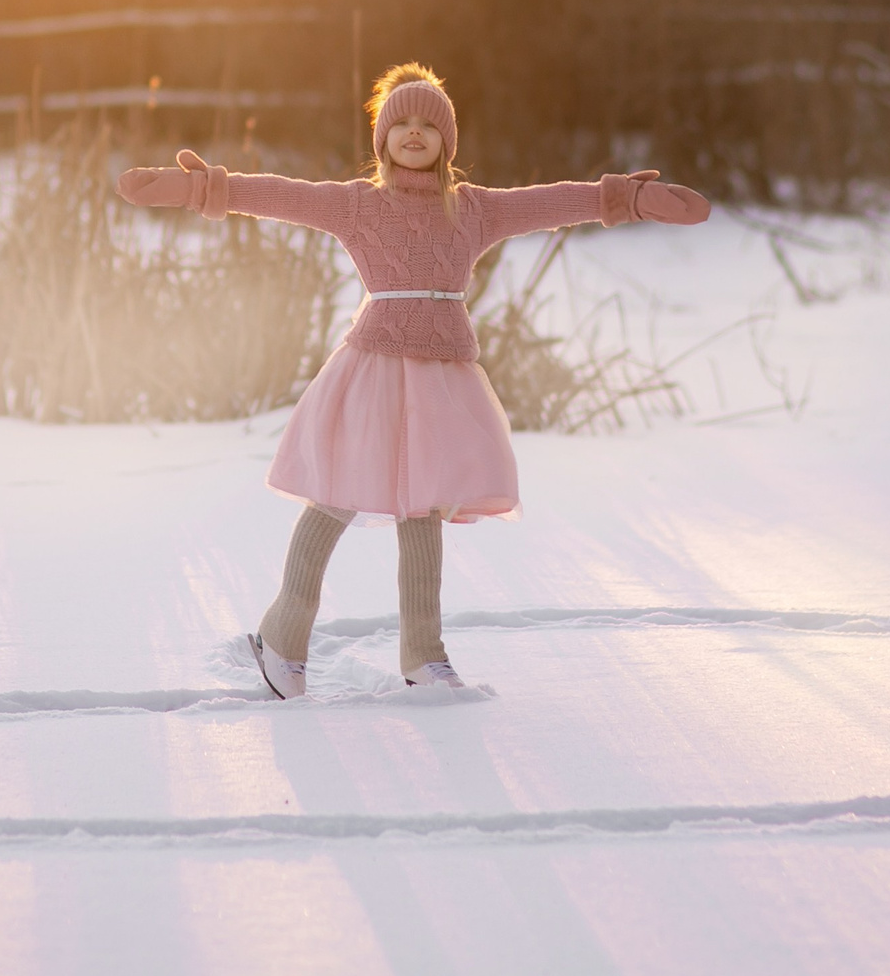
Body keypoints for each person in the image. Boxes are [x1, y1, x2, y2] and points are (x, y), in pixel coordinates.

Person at [116, 62, 710, 695]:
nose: (416, 133)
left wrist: (626, 198)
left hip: (442, 380)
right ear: (383, 138)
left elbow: (548, 203)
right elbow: (281, 195)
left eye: (431, 124)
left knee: (425, 509)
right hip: (371, 367)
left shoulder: (474, 210)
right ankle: (282, 641)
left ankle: (422, 656)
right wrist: (204, 189)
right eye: (403, 122)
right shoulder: (358, 204)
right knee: (337, 495)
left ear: (448, 143)